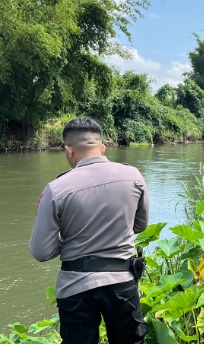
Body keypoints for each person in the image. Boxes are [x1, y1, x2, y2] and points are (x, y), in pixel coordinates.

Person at [29, 117, 150, 344]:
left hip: (76, 288)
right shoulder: (134, 176)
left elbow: (41, 252)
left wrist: (71, 237)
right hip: (122, 281)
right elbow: (140, 225)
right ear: (102, 148)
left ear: (69, 150)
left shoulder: (56, 190)